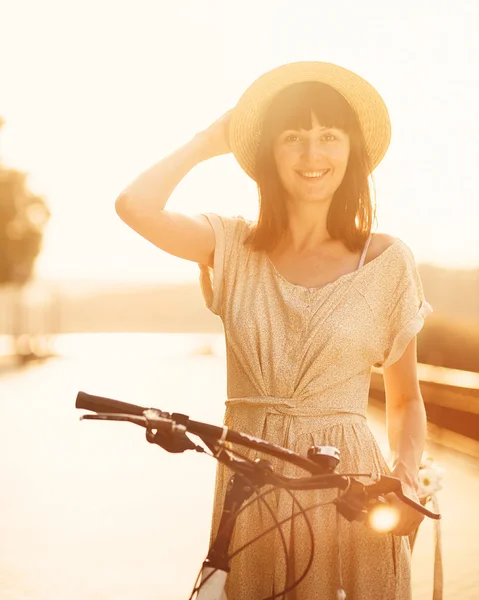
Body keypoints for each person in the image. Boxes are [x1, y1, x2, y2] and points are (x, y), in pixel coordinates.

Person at [115, 62, 432, 600]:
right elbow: (134, 206)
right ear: (269, 154)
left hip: (348, 487)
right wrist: (209, 140)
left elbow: (404, 399)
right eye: (293, 138)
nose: (313, 156)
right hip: (250, 479)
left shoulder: (386, 261)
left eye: (329, 136)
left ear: (351, 150)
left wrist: (404, 473)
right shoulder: (233, 246)